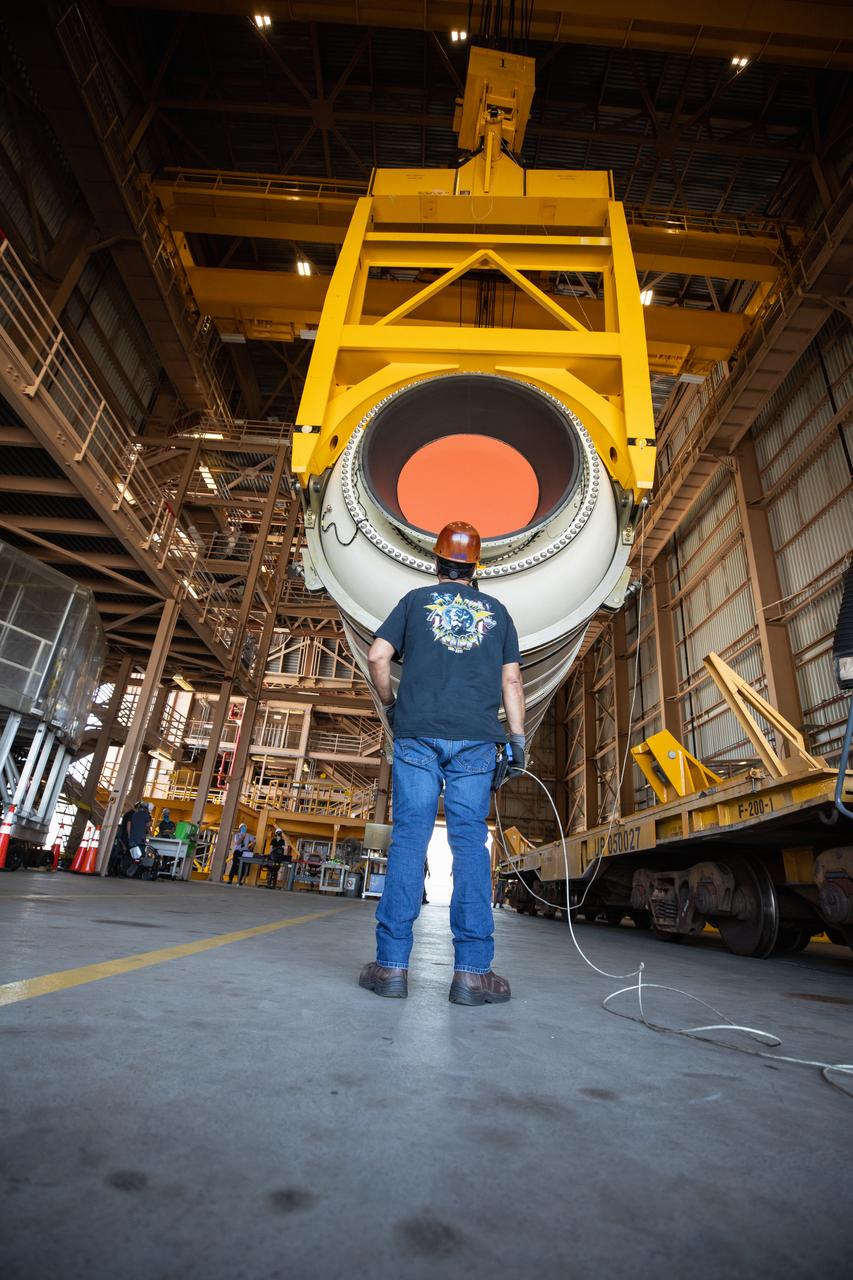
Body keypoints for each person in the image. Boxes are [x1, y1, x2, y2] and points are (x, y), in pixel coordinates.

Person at [359, 520, 526, 1006]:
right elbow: (512, 682)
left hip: (417, 734)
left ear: (436, 563)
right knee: (470, 845)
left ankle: (391, 966)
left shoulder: (415, 602)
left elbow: (377, 657)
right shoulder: (498, 613)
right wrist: (517, 739)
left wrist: (391, 704)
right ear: (476, 569)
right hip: (476, 743)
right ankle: (472, 974)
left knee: (409, 840)